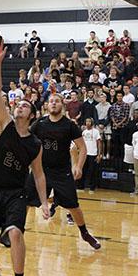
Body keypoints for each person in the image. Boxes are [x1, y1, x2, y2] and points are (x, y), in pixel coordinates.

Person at [0, 37, 49, 276]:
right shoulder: (3, 124)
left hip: (16, 194)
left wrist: (43, 203)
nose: (20, 105)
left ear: (31, 115)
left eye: (25, 106)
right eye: (18, 104)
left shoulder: (34, 144)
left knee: (16, 233)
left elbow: (39, 175)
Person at [26, 93, 101, 250]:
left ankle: (85, 233)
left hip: (62, 172)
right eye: (51, 101)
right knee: (25, 201)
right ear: (47, 105)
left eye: (57, 101)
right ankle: (15, 231)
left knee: (73, 206)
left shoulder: (69, 125)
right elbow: (26, 140)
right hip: (41, 171)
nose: (53, 103)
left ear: (62, 105)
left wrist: (78, 166)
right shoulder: (39, 123)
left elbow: (82, 147)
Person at [81, 118, 102, 193]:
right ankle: (81, 186)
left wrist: (99, 154)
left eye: (89, 121)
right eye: (86, 121)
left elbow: (99, 143)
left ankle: (92, 187)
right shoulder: (84, 132)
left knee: (92, 171)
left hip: (93, 153)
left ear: (92, 123)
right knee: (83, 170)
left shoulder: (96, 132)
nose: (88, 123)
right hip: (84, 153)